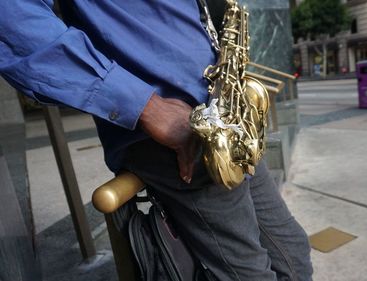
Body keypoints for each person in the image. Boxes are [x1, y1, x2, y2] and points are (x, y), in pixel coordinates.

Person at [0, 1, 313, 280]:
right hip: (180, 139)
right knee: (249, 272)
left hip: (222, 117)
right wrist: (144, 105)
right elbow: (11, 15)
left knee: (293, 252)